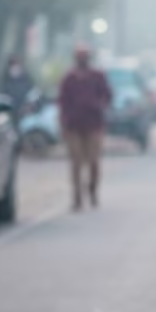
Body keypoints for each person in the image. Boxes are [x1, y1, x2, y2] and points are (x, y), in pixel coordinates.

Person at [58, 47, 112, 211]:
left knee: (94, 161)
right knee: (76, 162)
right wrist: (63, 122)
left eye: (84, 56)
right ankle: (77, 197)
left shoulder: (97, 76)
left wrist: (98, 105)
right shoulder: (69, 78)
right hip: (73, 125)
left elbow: (107, 96)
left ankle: (93, 190)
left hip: (94, 125)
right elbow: (62, 101)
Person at [0, 53, 34, 119]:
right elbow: (3, 98)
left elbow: (32, 95)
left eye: (16, 65)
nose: (15, 68)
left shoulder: (26, 80)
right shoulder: (6, 82)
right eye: (12, 65)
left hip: (25, 115)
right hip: (10, 114)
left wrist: (27, 107)